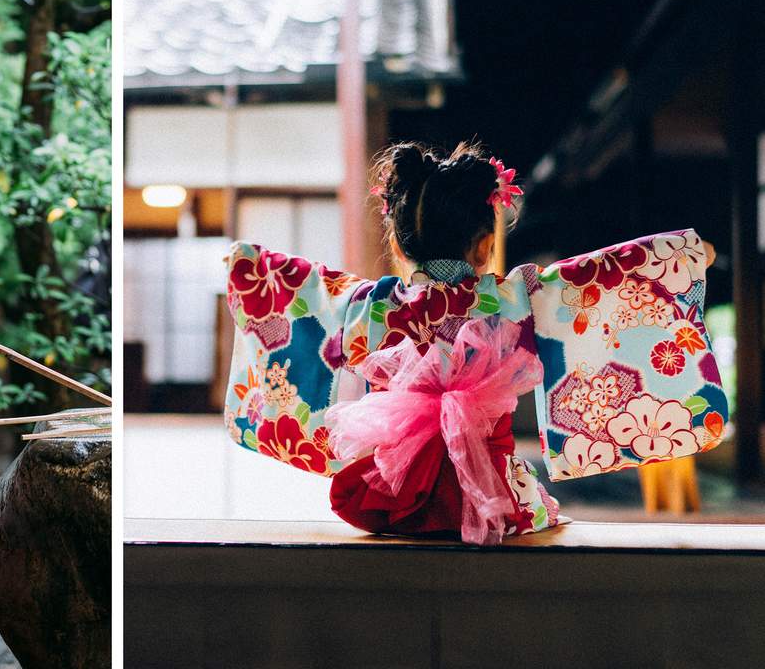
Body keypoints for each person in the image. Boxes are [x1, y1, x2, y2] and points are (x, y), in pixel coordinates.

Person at [224, 141, 725, 545]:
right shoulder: (514, 300)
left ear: (397, 245)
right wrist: (681, 258)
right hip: (495, 499)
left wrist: (241, 268)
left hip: (394, 498)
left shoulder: (367, 306)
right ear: (487, 245)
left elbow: (303, 295)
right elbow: (598, 279)